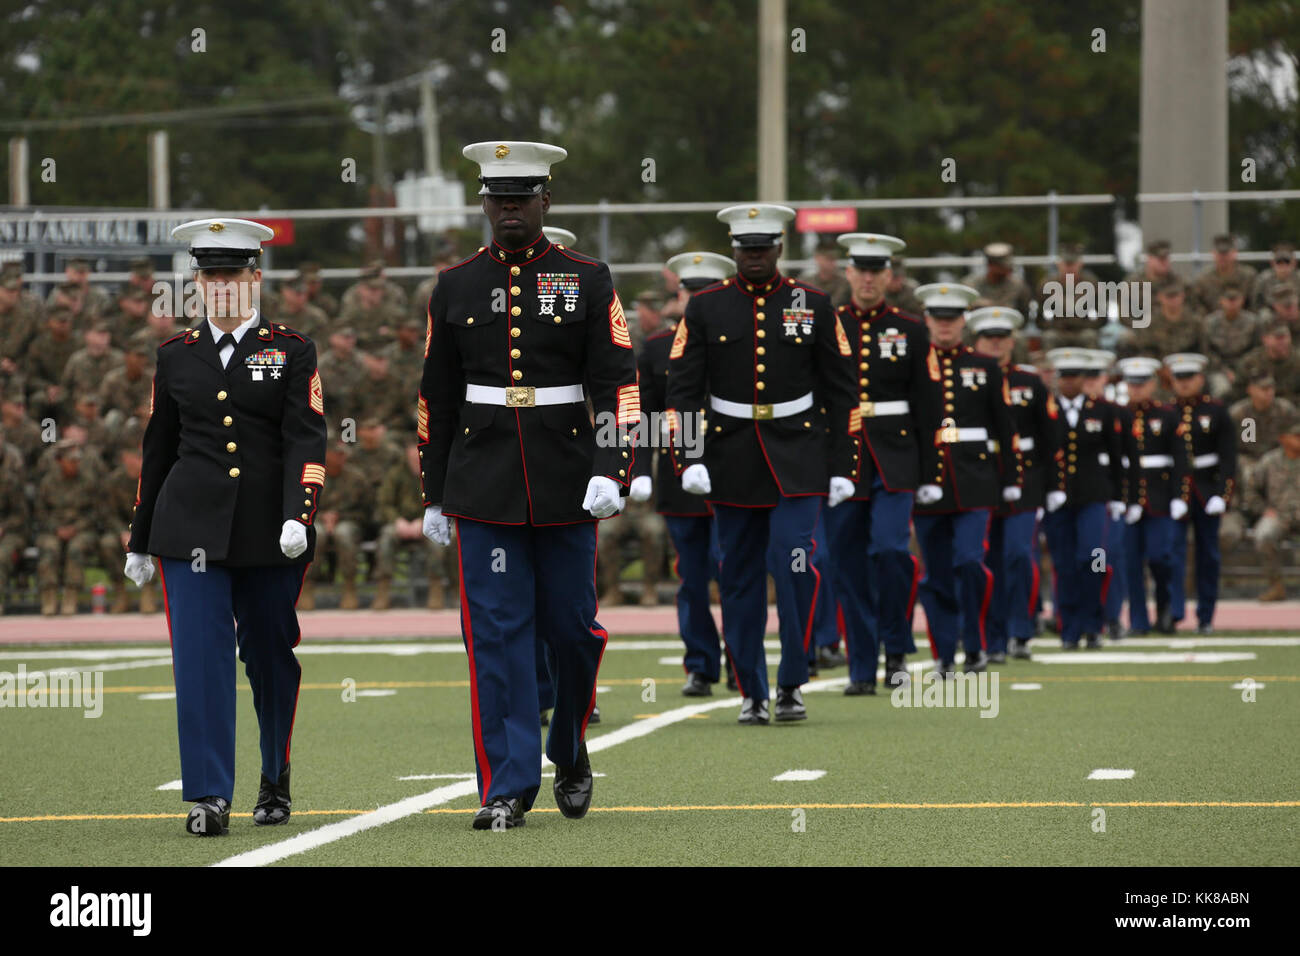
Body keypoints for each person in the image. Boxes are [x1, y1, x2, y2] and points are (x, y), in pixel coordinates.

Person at [419, 140, 637, 830]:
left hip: (569, 476)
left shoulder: (588, 277)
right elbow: (437, 396)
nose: (509, 210)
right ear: (484, 205)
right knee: (495, 633)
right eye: (498, 200)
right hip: (482, 481)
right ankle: (506, 786)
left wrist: (613, 468)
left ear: (547, 202)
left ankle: (569, 747)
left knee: (572, 630)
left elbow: (617, 384)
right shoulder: (453, 286)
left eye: (522, 199)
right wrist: (433, 490)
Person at [123, 217, 327, 835]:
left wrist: (300, 514)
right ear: (198, 282)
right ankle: (209, 795)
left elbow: (306, 441)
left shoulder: (292, 350)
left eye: (231, 274)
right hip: (188, 531)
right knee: (200, 660)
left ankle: (274, 774)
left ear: (255, 278)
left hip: (269, 531)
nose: (220, 286)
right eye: (209, 275)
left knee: (269, 657)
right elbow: (158, 450)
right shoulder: (175, 356)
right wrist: (139, 538)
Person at [665, 203, 857, 723]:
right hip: (730, 457)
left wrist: (844, 465)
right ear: (734, 250)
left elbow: (842, 392)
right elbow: (683, 389)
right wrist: (691, 456)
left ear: (778, 248)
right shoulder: (706, 307)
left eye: (763, 248)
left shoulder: (813, 303)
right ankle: (751, 688)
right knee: (738, 577)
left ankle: (793, 679)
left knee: (794, 561)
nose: (754, 257)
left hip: (798, 455)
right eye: (745, 249)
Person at [825, 233, 935, 693]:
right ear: (848, 273)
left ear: (889, 276)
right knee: (846, 563)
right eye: (861, 271)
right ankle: (860, 666)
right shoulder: (828, 324)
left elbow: (928, 405)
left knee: (891, 552)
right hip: (843, 459)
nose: (868, 279)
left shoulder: (911, 328)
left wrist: (931, 473)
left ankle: (896, 648)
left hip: (896, 457)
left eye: (877, 271)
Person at [637, 250, 733, 695]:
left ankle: (741, 660)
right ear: (678, 295)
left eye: (705, 291)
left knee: (733, 572)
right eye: (689, 291)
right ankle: (700, 663)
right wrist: (639, 469)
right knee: (692, 578)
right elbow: (645, 416)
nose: (695, 300)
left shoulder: (740, 342)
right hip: (680, 478)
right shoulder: (656, 348)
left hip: (734, 474)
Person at [911, 284, 1020, 674]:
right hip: (928, 479)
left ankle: (974, 644)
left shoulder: (985, 366)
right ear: (927, 320)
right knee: (936, 574)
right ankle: (943, 652)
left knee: (970, 563)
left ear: (963, 321)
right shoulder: (915, 363)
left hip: (975, 479)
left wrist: (1010, 476)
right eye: (938, 318)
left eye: (952, 318)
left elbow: (1003, 426)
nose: (945, 325)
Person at [970, 306, 1055, 661]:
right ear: (977, 341)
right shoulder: (967, 377)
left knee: (1019, 554)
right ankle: (992, 637)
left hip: (1024, 477)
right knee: (985, 558)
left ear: (1012, 341)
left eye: (1002, 338)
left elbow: (1051, 436)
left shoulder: (1029, 381)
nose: (995, 344)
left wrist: (1051, 484)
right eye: (989, 338)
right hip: (980, 474)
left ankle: (1021, 628)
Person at [1042, 348, 1125, 649]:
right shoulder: (1046, 409)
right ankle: (1069, 630)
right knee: (1063, 565)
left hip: (1093, 496)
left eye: (1076, 376)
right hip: (1057, 498)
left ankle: (1094, 624)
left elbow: (1116, 456)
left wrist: (1118, 496)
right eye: (1065, 376)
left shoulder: (1102, 410)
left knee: (1093, 559)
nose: (1070, 382)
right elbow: (1042, 454)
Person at [1115, 357, 1188, 635]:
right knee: (1131, 562)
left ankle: (1166, 607)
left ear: (1153, 384)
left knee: (1160, 556)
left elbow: (1180, 458)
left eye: (1142, 384)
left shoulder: (1167, 415)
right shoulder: (1119, 414)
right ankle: (1138, 620)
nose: (1136, 389)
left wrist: (1180, 496)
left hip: (1159, 497)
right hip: (1127, 498)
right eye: (1132, 384)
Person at [1164, 352, 1236, 634]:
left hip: (1207, 491)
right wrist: (1170, 495)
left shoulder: (1216, 411)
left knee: (1208, 555)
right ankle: (1174, 611)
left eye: (1189, 378)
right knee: (1173, 553)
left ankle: (1206, 616)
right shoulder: (1167, 412)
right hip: (1176, 493)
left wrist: (1223, 494)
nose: (1183, 384)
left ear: (1201, 379)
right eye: (1178, 378)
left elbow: (1228, 457)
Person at [1236, 417, 1300, 601]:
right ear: (1283, 438)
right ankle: (1276, 586)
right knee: (1264, 535)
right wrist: (1262, 509)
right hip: (1278, 514)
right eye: (1295, 436)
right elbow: (1250, 490)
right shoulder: (1269, 461)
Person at [1192, 234, 1257, 315]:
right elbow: (1196, 305)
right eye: (1220, 253)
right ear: (1213, 254)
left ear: (1234, 253)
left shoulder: (1248, 276)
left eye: (1226, 253)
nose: (1223, 257)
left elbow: (1254, 303)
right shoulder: (1203, 279)